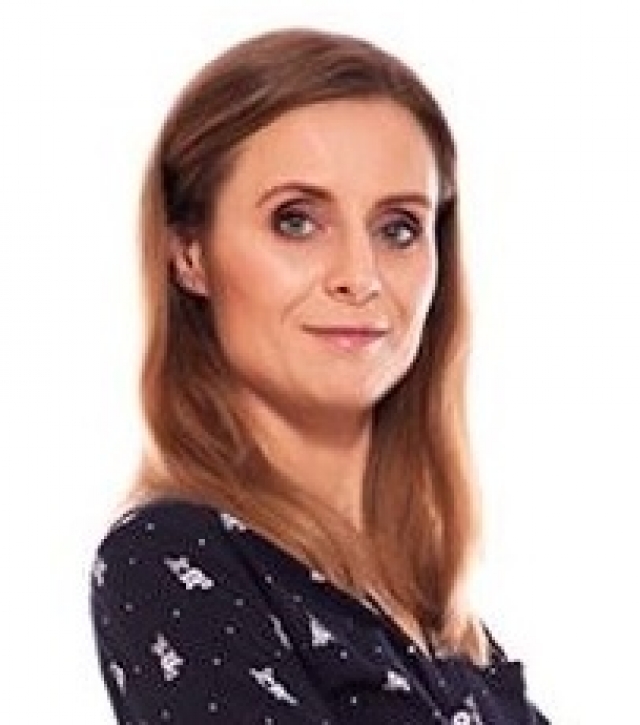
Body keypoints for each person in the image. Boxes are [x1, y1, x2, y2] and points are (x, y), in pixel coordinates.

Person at [90, 27, 550, 724]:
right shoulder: (174, 557)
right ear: (190, 254)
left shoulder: (441, 618)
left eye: (398, 228)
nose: (359, 277)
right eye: (297, 221)